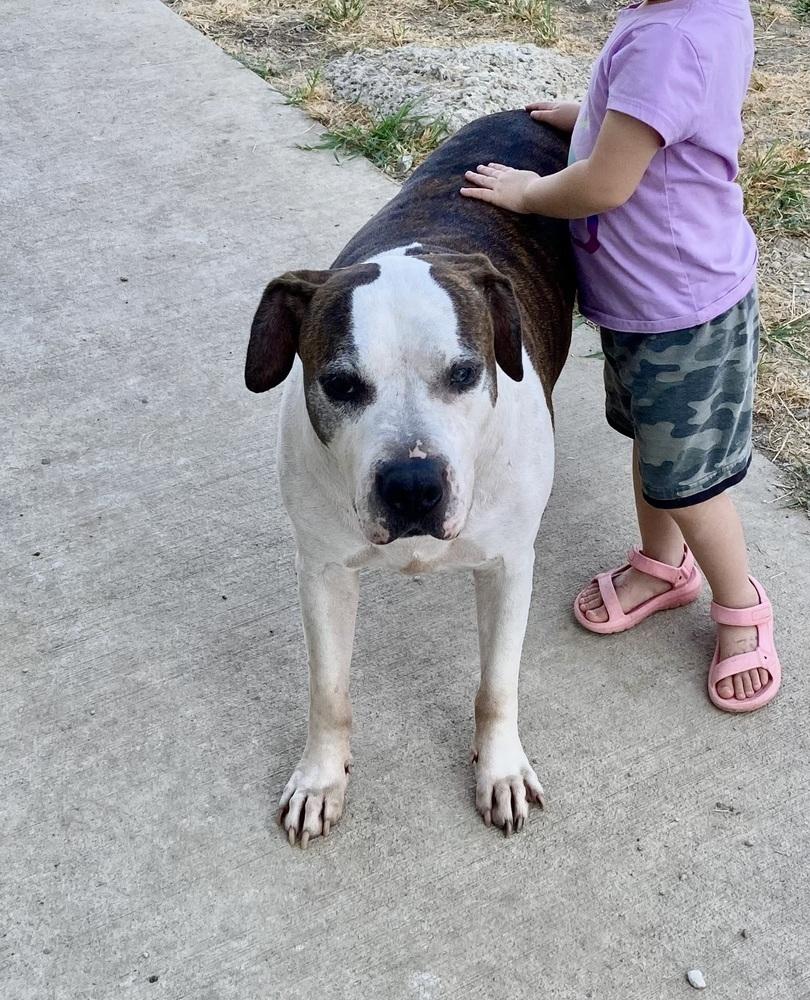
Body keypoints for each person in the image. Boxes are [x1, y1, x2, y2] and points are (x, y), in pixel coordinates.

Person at [460, 0, 781, 712]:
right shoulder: (690, 12)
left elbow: (607, 185)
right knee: (653, 448)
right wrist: (604, 120)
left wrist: (529, 190)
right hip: (652, 301)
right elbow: (679, 110)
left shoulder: (670, 35)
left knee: (691, 484)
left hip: (683, 312)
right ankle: (665, 567)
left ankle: (741, 607)